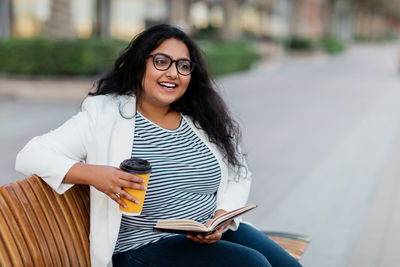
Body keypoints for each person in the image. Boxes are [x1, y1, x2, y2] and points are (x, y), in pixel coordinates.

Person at [15, 24, 302, 267]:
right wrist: (94, 175)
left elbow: (239, 172)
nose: (173, 73)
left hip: (208, 234)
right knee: (253, 265)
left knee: (288, 265)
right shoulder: (104, 114)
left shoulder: (199, 119)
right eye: (161, 61)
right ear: (140, 64)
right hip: (143, 247)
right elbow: (30, 155)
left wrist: (222, 217)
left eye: (183, 66)